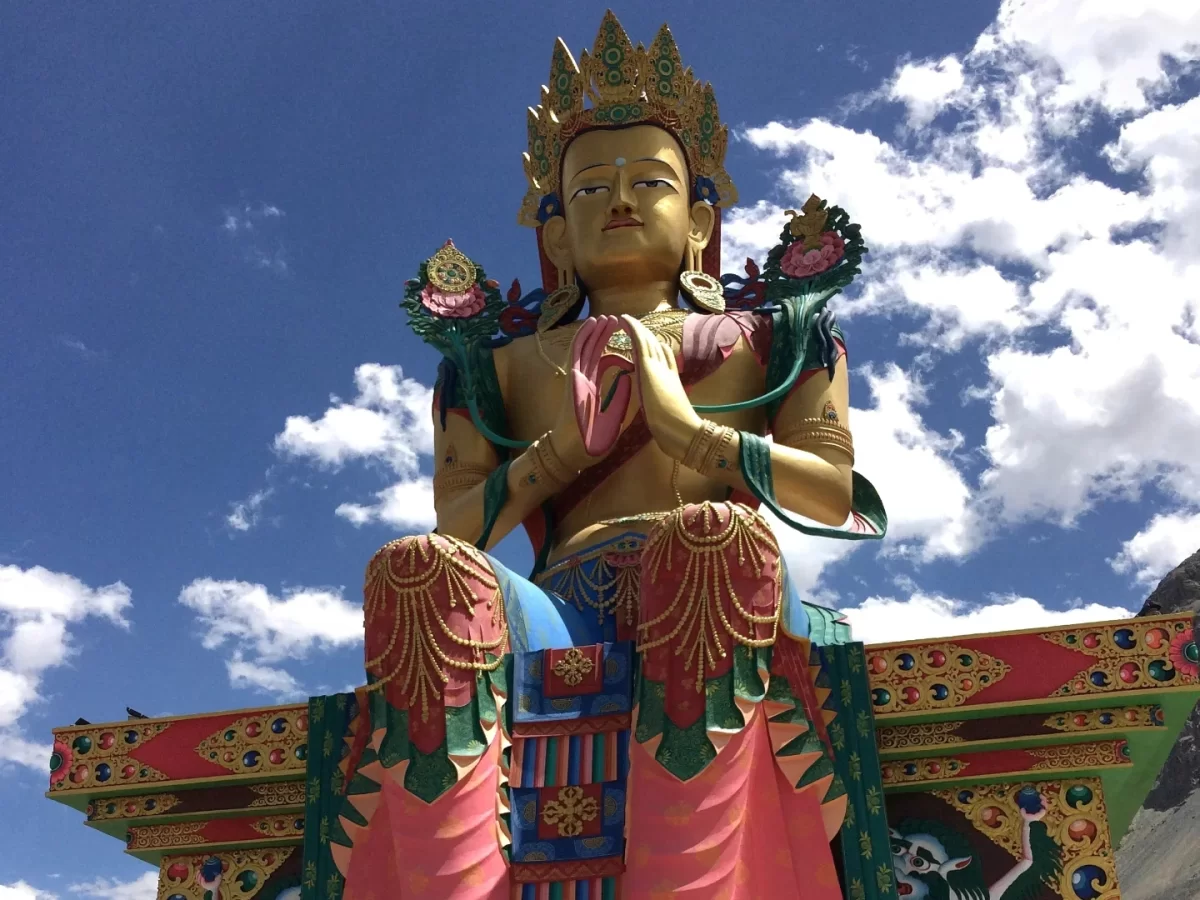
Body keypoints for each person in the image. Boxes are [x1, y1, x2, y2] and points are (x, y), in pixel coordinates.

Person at [316, 13, 892, 899]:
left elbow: (831, 495)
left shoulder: (775, 335)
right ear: (557, 237)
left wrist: (692, 433)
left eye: (649, 182)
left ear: (699, 219)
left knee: (708, 540)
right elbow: (458, 530)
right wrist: (559, 453)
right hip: (557, 605)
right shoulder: (496, 365)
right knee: (415, 569)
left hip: (715, 580)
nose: (620, 201)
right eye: (590, 189)